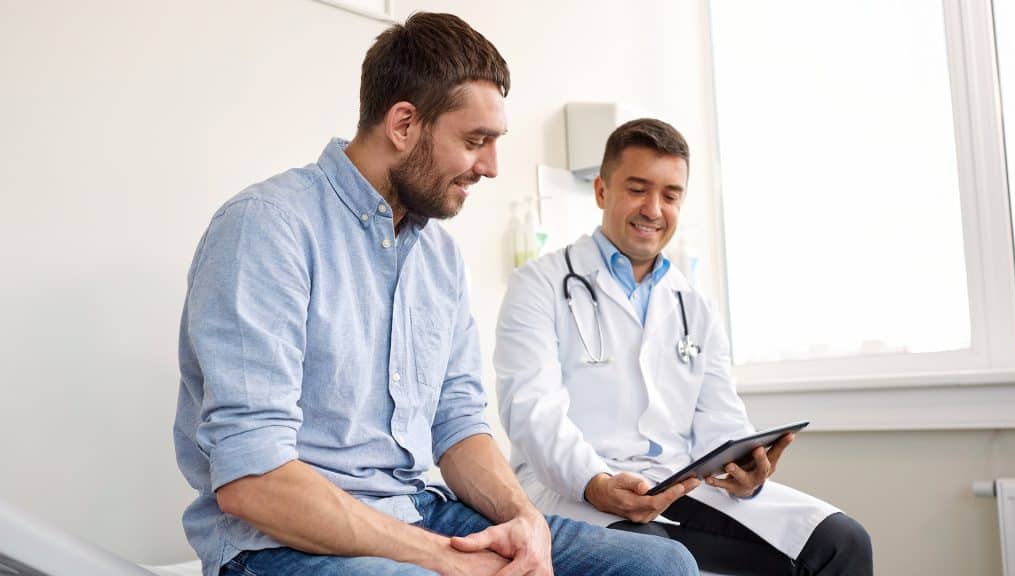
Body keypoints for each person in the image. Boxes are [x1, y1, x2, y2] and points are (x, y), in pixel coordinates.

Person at [173, 13, 699, 576]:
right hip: (281, 544)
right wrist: (443, 561)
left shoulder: (438, 258)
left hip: (420, 511)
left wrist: (525, 521)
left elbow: (457, 424)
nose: (491, 167)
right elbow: (254, 483)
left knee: (662, 565)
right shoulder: (267, 227)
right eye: (476, 141)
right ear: (403, 124)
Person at [494, 118, 873, 576]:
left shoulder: (694, 302)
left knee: (842, 542)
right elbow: (532, 413)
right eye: (637, 189)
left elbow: (719, 418)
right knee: (655, 558)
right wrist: (594, 482)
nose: (653, 208)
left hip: (680, 482)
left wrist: (744, 470)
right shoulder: (538, 285)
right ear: (601, 191)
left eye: (670, 195)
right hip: (573, 488)